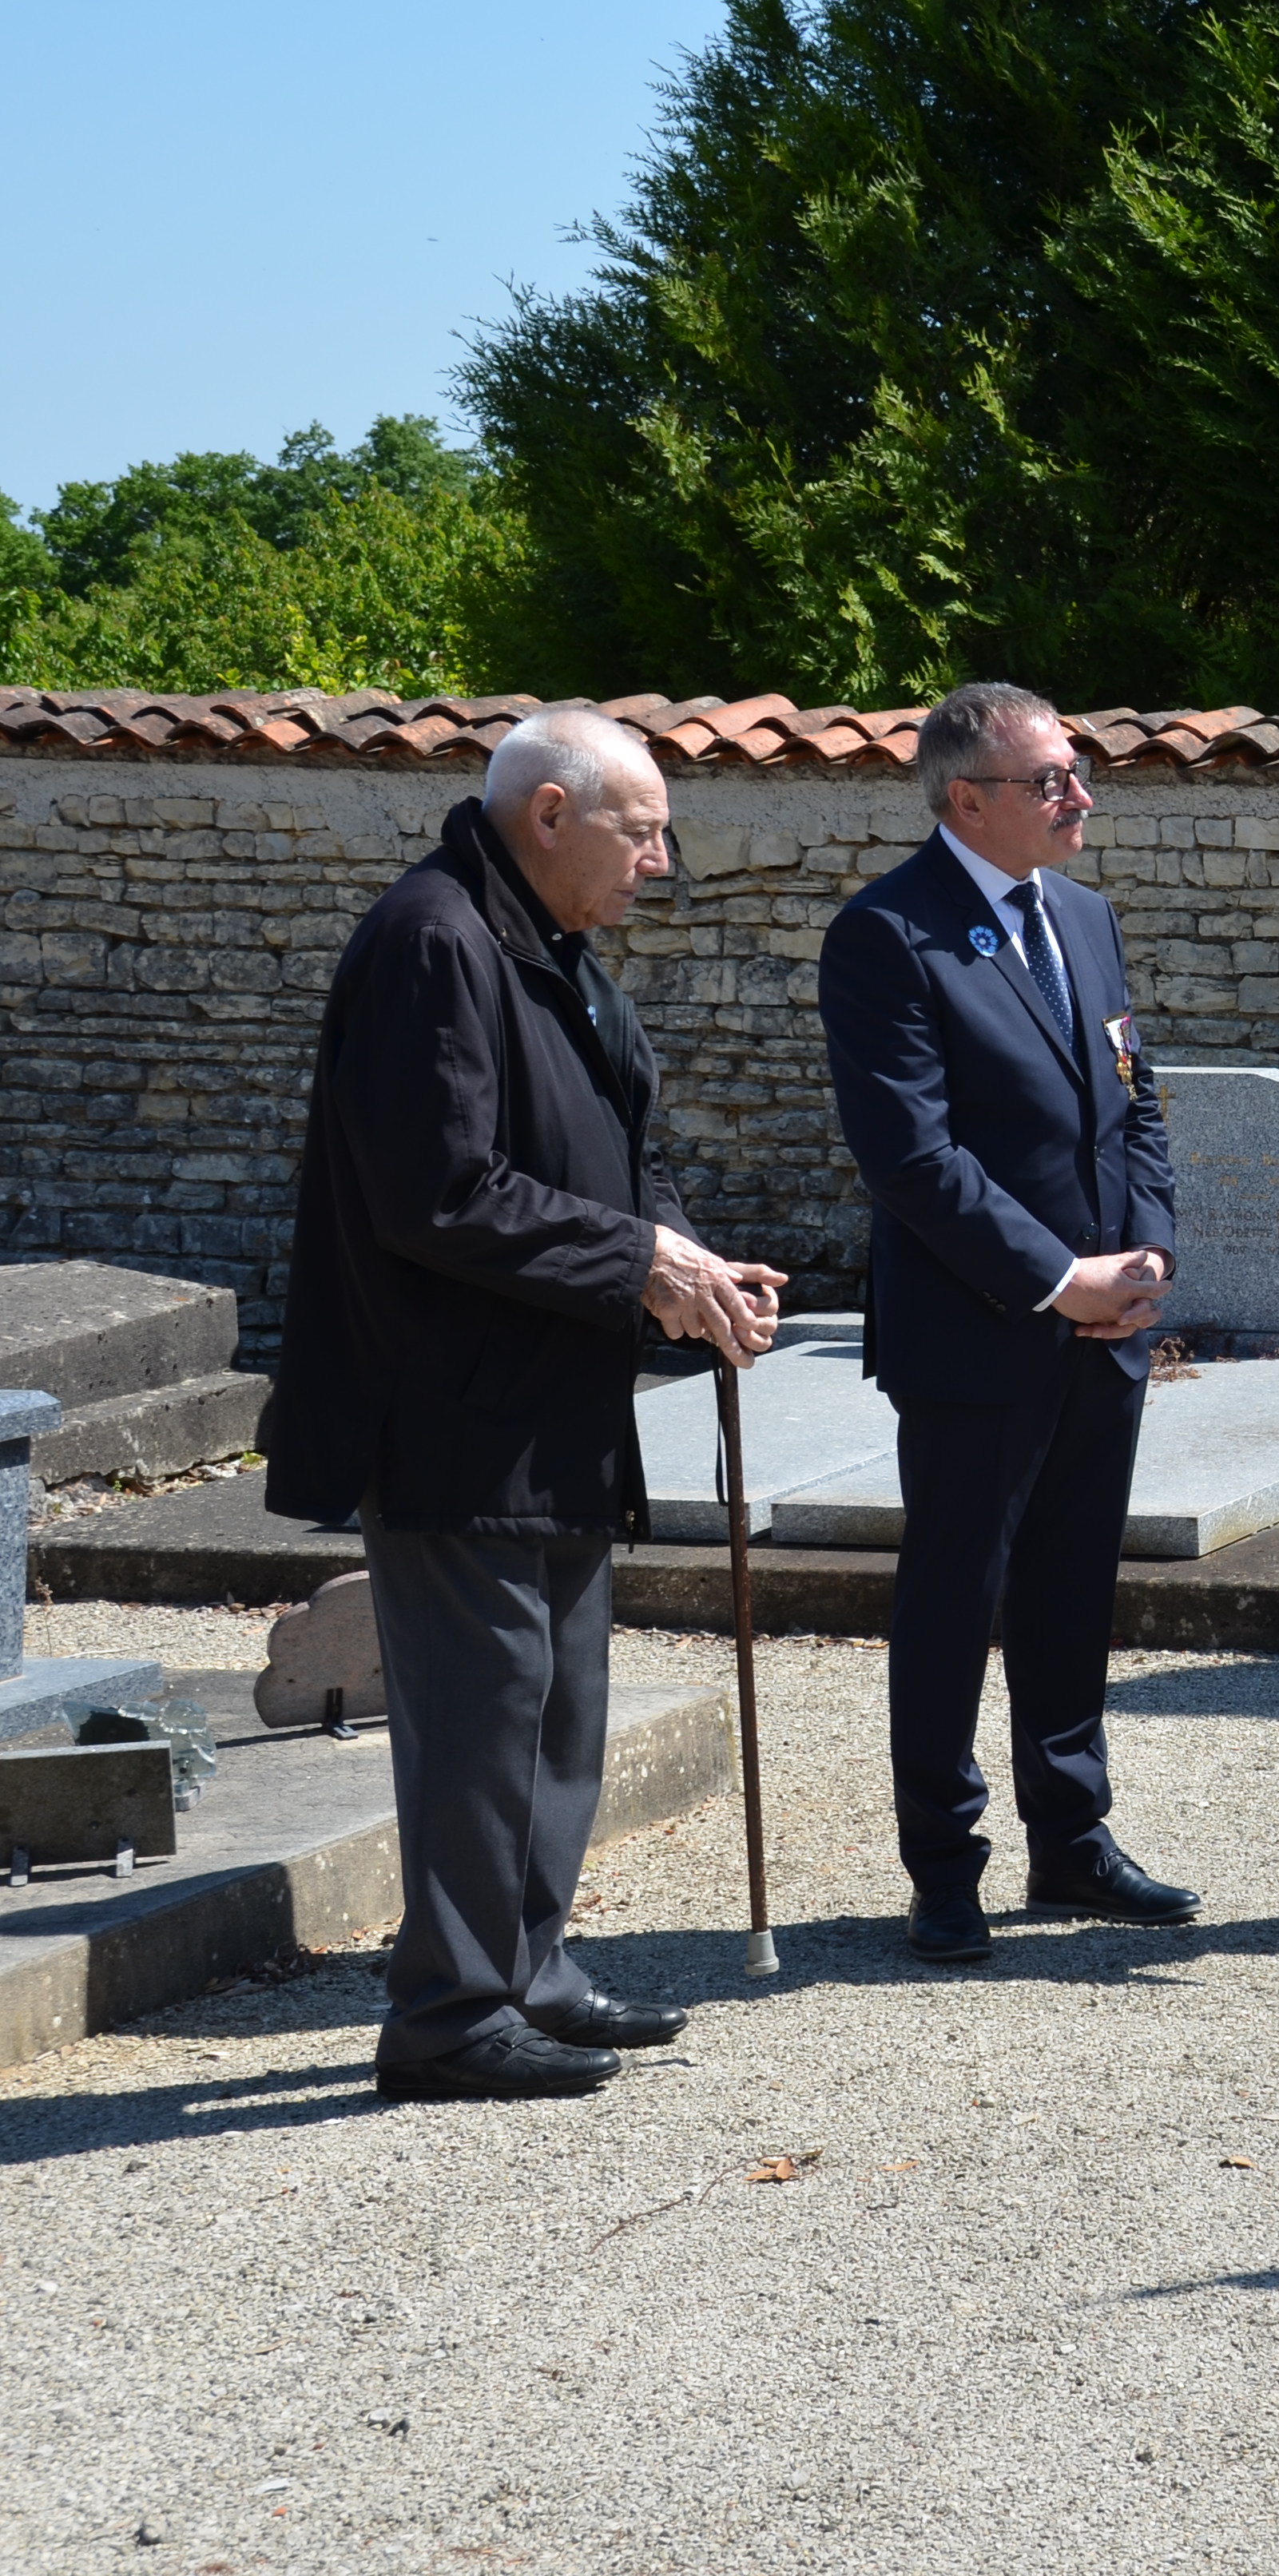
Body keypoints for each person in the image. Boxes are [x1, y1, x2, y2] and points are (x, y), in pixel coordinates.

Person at [264, 705, 787, 2100]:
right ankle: (448, 2019)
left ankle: (530, 1972)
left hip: (555, 1408)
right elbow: (438, 1192)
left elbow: (621, 1152)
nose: (661, 863)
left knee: (556, 1715)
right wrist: (639, 1264)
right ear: (549, 814)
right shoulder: (432, 940)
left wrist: (690, 1266)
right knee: (479, 1724)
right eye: (643, 832)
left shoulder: (550, 945)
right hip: (454, 1417)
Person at [816, 681, 1195, 1966]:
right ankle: (944, 1866)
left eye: (1078, 772)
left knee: (1072, 1590)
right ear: (967, 799)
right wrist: (1057, 1278)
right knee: (955, 1599)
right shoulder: (888, 934)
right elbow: (912, 1159)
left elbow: (1135, 1099)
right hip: (978, 1334)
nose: (1080, 796)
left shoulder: (1081, 916)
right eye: (1051, 781)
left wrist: (1145, 1254)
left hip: (1103, 1330)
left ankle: (1072, 1839)